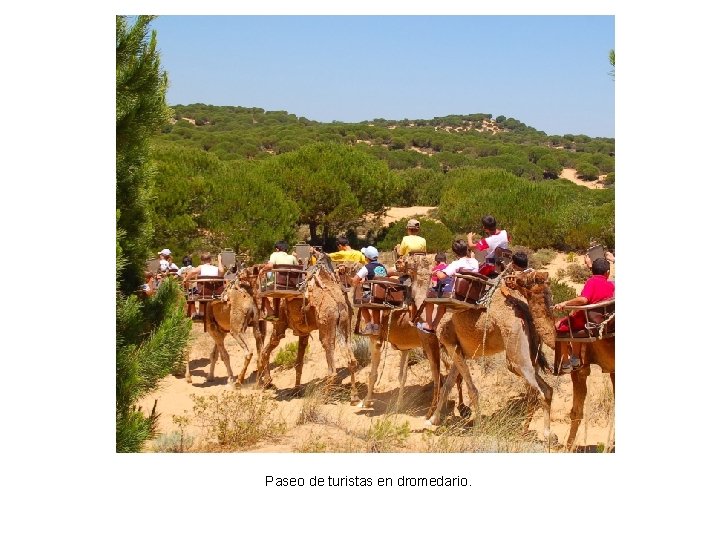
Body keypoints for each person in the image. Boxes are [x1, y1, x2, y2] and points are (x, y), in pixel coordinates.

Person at [553, 257, 615, 373]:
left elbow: (583, 300)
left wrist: (565, 303)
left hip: (591, 320)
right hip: (605, 320)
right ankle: (575, 358)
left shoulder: (591, 281)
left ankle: (566, 363)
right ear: (607, 273)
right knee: (574, 323)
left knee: (559, 326)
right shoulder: (610, 285)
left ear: (592, 271)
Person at [419, 240, 479, 333]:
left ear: (455, 253)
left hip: (457, 294)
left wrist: (437, 272)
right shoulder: (475, 262)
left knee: (429, 297)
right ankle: (434, 326)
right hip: (470, 294)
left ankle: (428, 324)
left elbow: (442, 277)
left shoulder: (457, 263)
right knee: (442, 302)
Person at [352, 246, 388, 335]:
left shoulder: (367, 267)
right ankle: (376, 328)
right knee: (376, 307)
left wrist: (357, 283)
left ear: (367, 258)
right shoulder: (382, 267)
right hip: (384, 295)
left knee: (362, 304)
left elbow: (355, 280)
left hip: (373, 295)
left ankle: (368, 326)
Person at [261, 241, 299, 322]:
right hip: (291, 285)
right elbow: (298, 267)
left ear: (277, 249)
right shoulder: (292, 257)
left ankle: (270, 312)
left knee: (260, 290)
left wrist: (263, 269)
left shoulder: (274, 255)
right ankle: (277, 314)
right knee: (277, 291)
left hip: (278, 284)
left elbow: (270, 265)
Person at [184, 252, 225, 320]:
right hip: (214, 293)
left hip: (203, 293)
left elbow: (192, 272)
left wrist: (185, 279)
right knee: (202, 291)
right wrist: (219, 261)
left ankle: (194, 313)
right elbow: (222, 271)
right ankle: (202, 312)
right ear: (210, 260)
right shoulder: (216, 268)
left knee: (190, 293)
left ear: (201, 260)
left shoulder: (201, 267)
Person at [420, 252, 452, 333]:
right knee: (441, 306)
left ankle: (428, 324)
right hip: (450, 292)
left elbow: (434, 283)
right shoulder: (450, 267)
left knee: (428, 299)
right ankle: (436, 324)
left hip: (442, 292)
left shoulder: (436, 269)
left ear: (436, 262)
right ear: (445, 260)